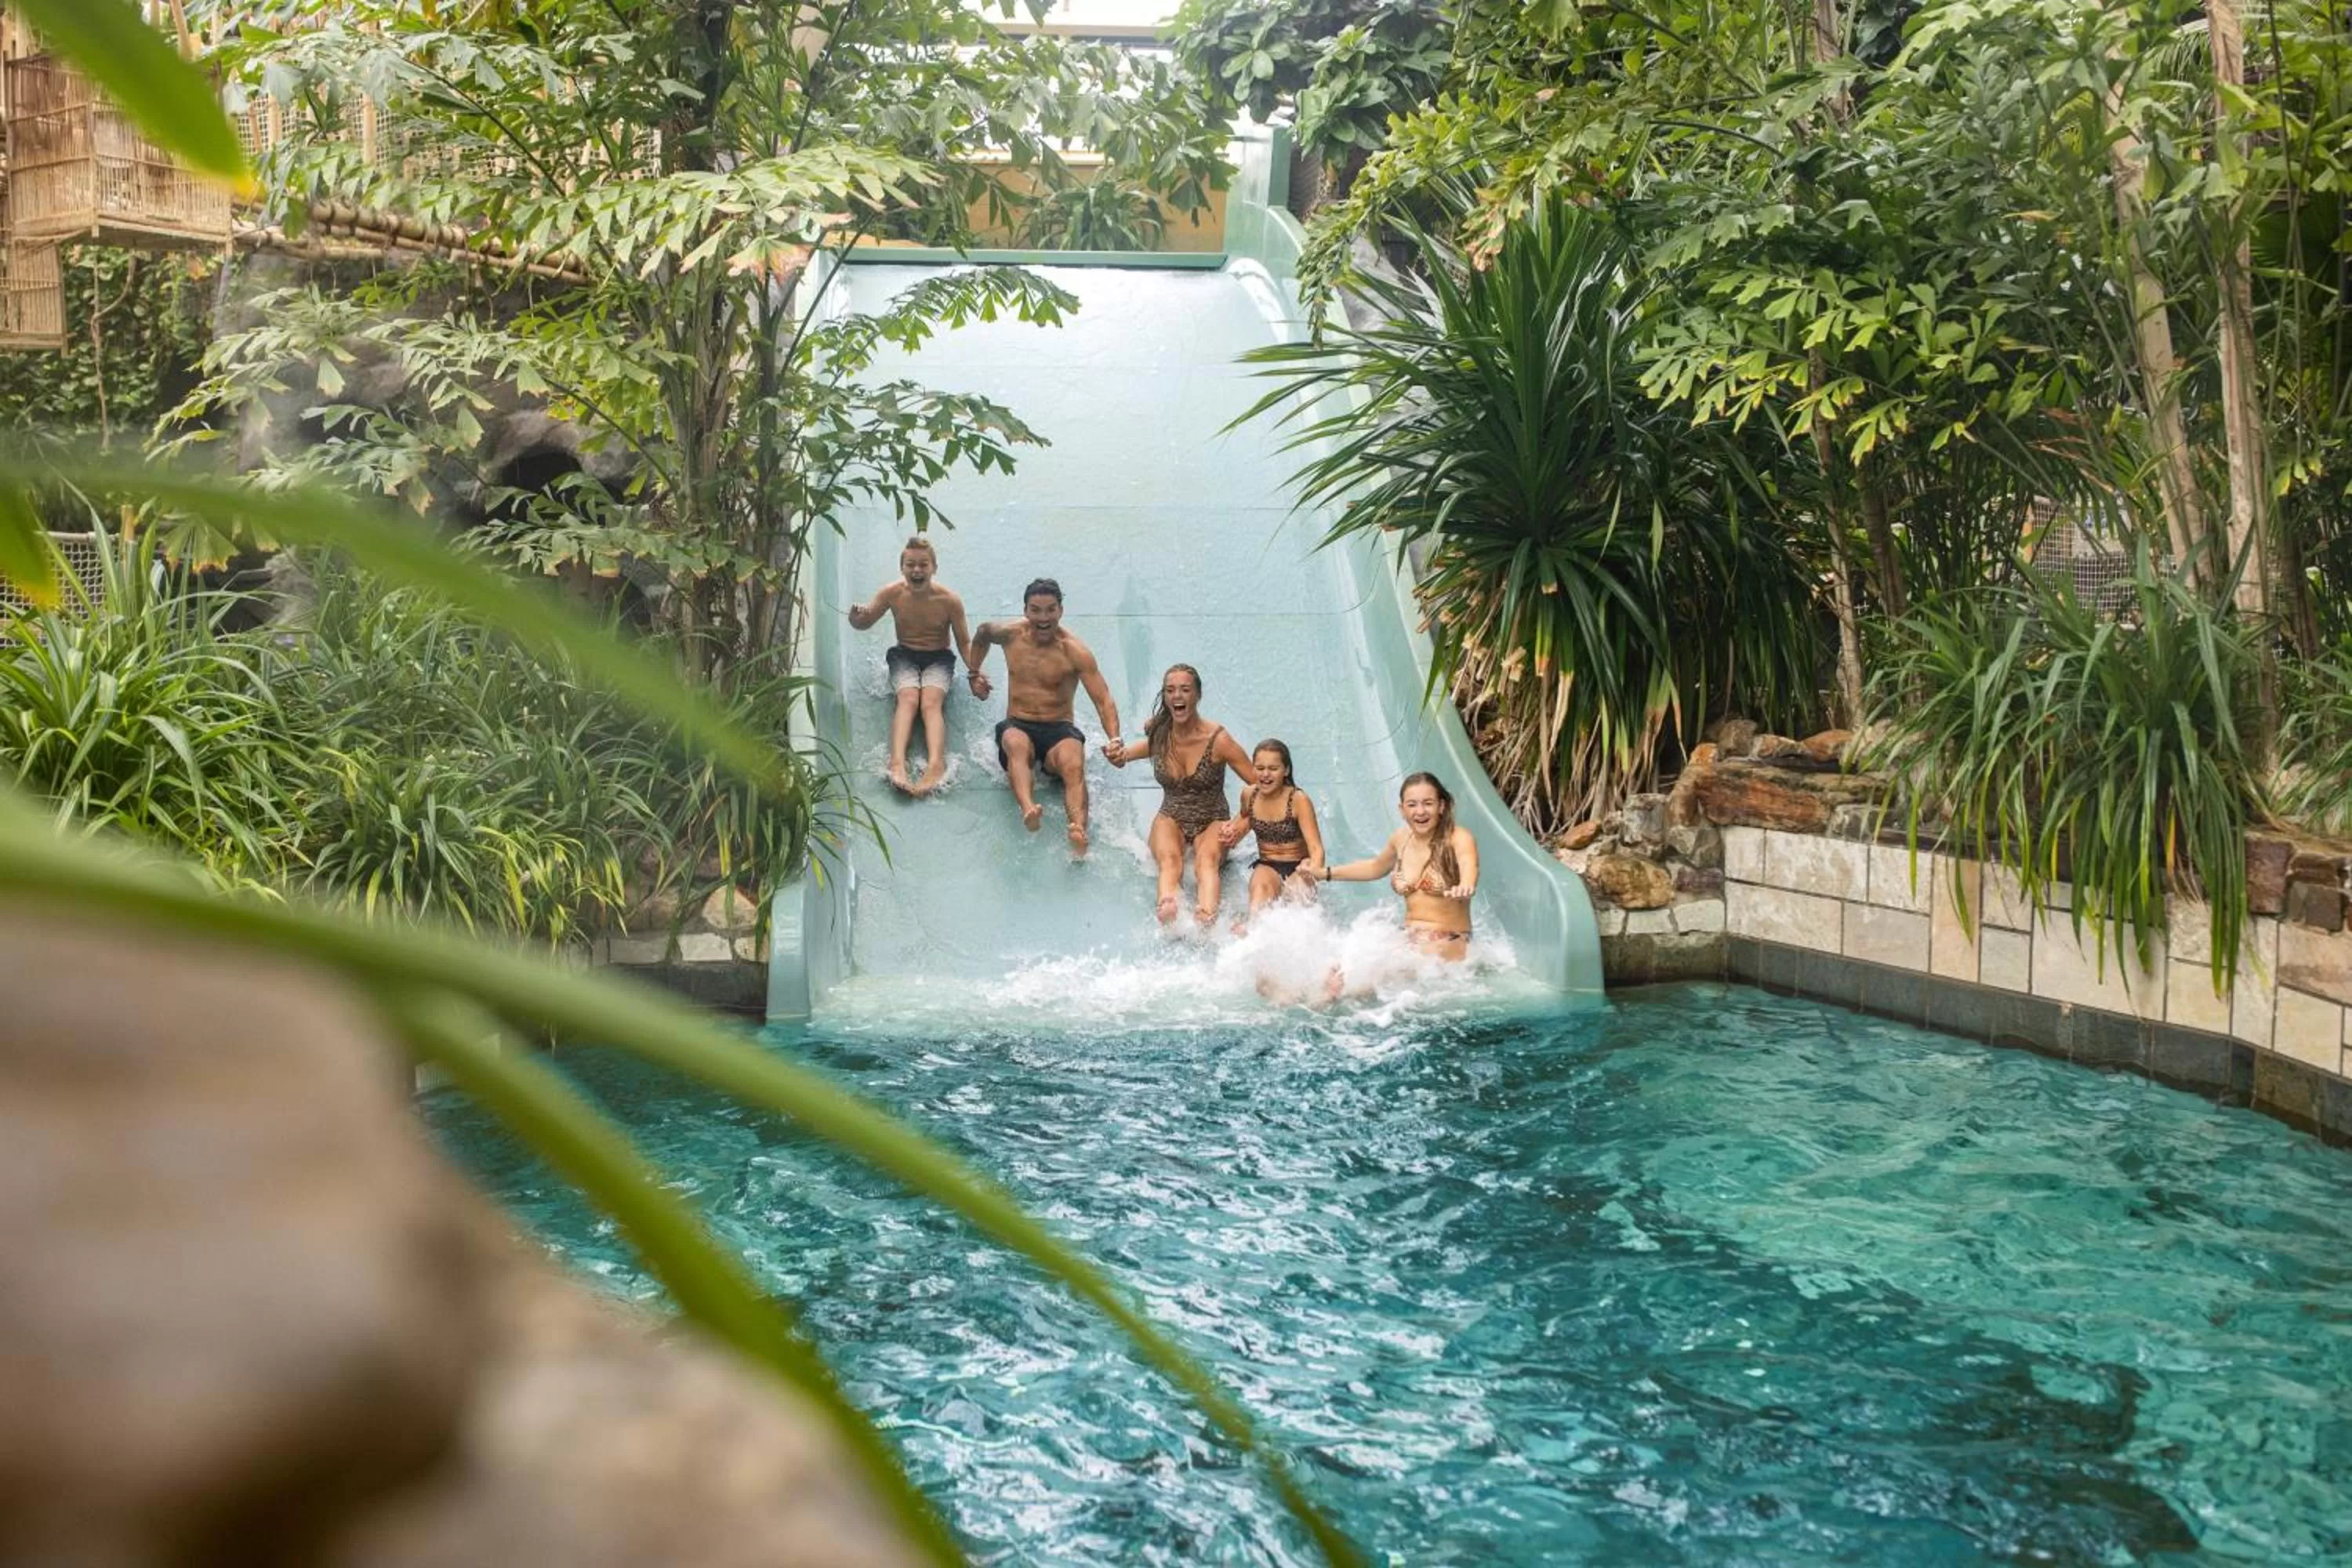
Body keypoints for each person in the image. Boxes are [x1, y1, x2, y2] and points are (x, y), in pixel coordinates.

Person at [965, 578, 1119, 855]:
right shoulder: (1010, 635)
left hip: (1059, 728)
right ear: (1025, 611)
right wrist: (974, 673)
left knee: (1073, 762)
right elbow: (982, 633)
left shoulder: (1075, 651)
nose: (1043, 618)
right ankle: (1029, 809)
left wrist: (1115, 739)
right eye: (1036, 610)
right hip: (1019, 723)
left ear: (1061, 610)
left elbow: (1103, 698)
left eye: (1050, 610)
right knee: (1015, 743)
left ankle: (1078, 831)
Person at [1105, 664, 1255, 927]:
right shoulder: (1161, 735)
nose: (1177, 696)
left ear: (1197, 695)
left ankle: (1206, 915)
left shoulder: (1218, 740)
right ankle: (1168, 908)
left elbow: (1262, 787)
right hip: (1171, 815)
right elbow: (1132, 753)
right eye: (1170, 690)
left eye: (1185, 690)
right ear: (1165, 697)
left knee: (1206, 860)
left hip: (1212, 818)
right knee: (1169, 860)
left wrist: (1239, 825)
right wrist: (1120, 756)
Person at [845, 535, 974, 796]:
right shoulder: (892, 593)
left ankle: (936, 764)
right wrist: (855, 618)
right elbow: (864, 623)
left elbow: (964, 642)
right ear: (902, 568)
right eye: (911, 565)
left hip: (939, 657)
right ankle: (896, 762)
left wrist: (975, 672)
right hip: (904, 656)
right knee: (908, 699)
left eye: (923, 565)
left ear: (934, 568)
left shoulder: (950, 601)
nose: (917, 570)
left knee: (930, 702)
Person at [1323, 771, 1480, 960]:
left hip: (1448, 940)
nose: (1420, 811)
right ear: (1402, 809)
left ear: (1441, 806)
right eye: (1412, 805)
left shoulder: (1457, 837)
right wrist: (1326, 873)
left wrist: (1466, 884)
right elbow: (1375, 867)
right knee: (1340, 969)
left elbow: (1468, 863)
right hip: (1409, 937)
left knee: (1379, 972)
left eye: (1428, 803)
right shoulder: (1401, 839)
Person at [1218, 738, 1326, 932]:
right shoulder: (1249, 795)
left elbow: (1316, 847)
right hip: (1268, 865)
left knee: (1298, 905)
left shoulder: (1298, 800)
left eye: (1273, 768)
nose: (1265, 774)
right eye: (1260, 768)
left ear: (1286, 771)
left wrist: (1313, 867)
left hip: (1298, 866)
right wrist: (1233, 831)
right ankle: (1253, 936)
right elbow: (1245, 818)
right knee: (1259, 899)